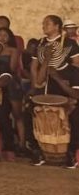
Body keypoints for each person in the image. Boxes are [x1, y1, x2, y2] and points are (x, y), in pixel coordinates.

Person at [27, 15, 79, 168]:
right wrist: (35, 86)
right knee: (28, 111)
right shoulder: (41, 43)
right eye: (43, 23)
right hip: (43, 87)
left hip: (64, 89)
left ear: (57, 26)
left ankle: (70, 154)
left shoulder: (69, 43)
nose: (43, 25)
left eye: (47, 23)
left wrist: (63, 76)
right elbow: (35, 69)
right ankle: (37, 151)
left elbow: (76, 64)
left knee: (74, 117)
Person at [0, 25, 26, 150]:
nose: (2, 37)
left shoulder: (13, 50)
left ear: (9, 38)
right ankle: (3, 142)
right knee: (0, 114)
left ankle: (22, 144)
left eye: (5, 35)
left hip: (11, 83)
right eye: (0, 35)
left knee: (17, 114)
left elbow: (12, 68)